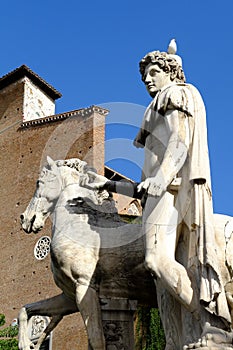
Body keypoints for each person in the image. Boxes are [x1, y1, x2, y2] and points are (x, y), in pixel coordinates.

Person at [88, 47, 231, 324]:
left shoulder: (173, 94)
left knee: (155, 259)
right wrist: (109, 184)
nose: (148, 81)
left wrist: (163, 179)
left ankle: (212, 324)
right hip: (161, 189)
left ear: (171, 72)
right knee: (160, 280)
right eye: (145, 78)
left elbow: (180, 139)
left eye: (154, 73)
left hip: (171, 187)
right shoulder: (155, 106)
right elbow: (144, 186)